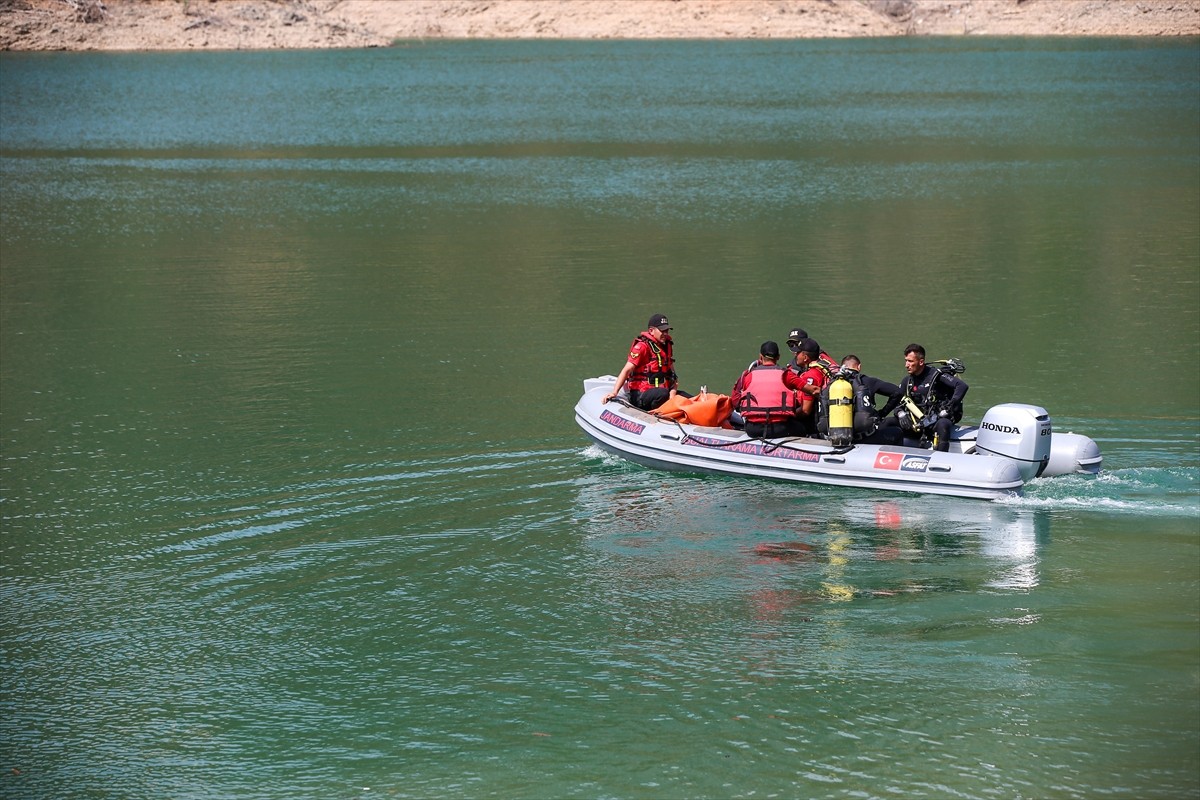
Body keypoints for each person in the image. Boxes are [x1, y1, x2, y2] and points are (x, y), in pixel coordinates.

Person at [603, 313, 688, 411]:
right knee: (662, 394)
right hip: (641, 395)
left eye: (667, 330)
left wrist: (672, 394)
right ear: (651, 331)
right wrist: (614, 392)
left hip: (662, 392)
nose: (665, 333)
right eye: (662, 330)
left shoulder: (666, 347)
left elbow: (673, 377)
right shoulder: (642, 347)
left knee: (687, 397)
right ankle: (660, 413)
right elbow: (626, 370)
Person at [894, 343, 968, 452]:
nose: (906, 365)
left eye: (910, 361)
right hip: (917, 423)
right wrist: (900, 413)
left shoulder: (936, 376)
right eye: (906, 360)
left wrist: (949, 407)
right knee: (888, 423)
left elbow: (962, 386)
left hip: (937, 419)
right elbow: (895, 400)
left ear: (921, 362)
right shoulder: (907, 381)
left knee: (943, 425)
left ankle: (941, 459)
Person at [730, 341, 800, 439]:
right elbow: (812, 390)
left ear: (760, 357)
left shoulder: (747, 375)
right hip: (780, 428)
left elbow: (735, 401)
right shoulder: (786, 375)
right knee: (802, 428)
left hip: (752, 429)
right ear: (778, 357)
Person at [837, 355, 903, 444]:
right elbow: (898, 392)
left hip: (839, 435)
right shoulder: (867, 381)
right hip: (865, 437)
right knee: (897, 432)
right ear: (859, 367)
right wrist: (882, 413)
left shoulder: (834, 384)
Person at [783, 337, 832, 435]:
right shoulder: (821, 369)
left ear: (805, 357)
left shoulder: (811, 375)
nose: (796, 355)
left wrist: (786, 416)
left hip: (812, 425)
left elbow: (805, 410)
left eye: (798, 353)